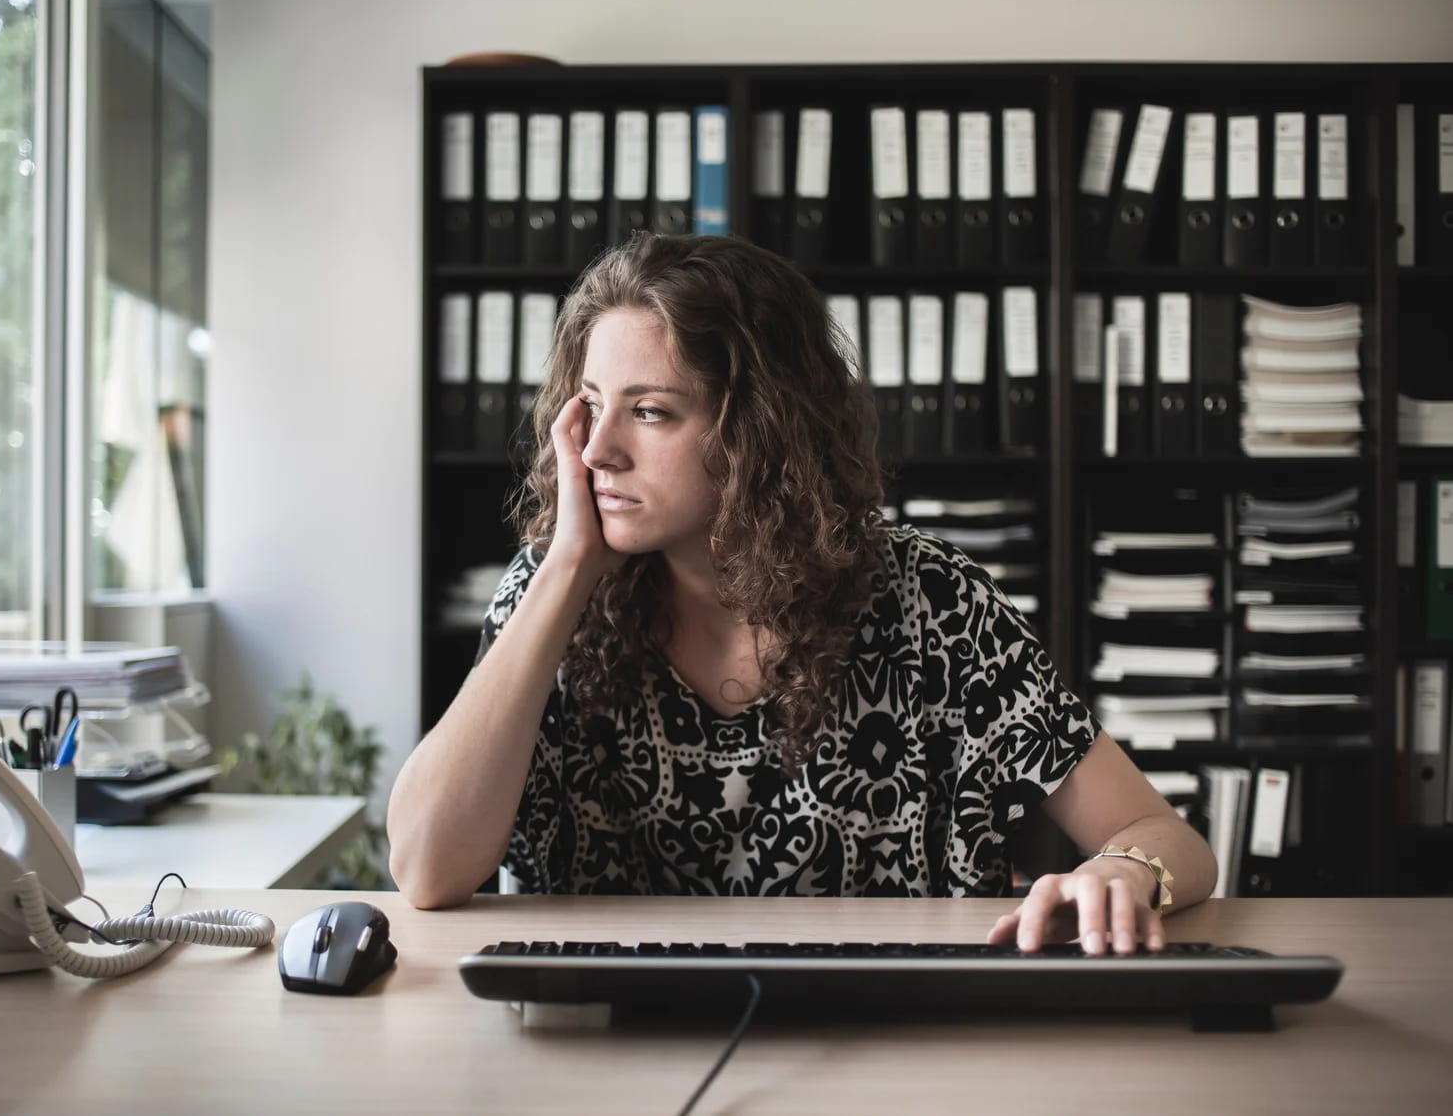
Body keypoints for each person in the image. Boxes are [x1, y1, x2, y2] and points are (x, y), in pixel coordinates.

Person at [388, 232, 1216, 956]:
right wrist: (567, 570)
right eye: (593, 407)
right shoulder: (549, 589)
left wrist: (1121, 870)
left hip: (882, 1046)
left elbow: (1168, 839)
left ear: (759, 431)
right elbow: (425, 868)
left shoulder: (933, 600)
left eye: (649, 412)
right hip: (600, 1040)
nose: (598, 450)